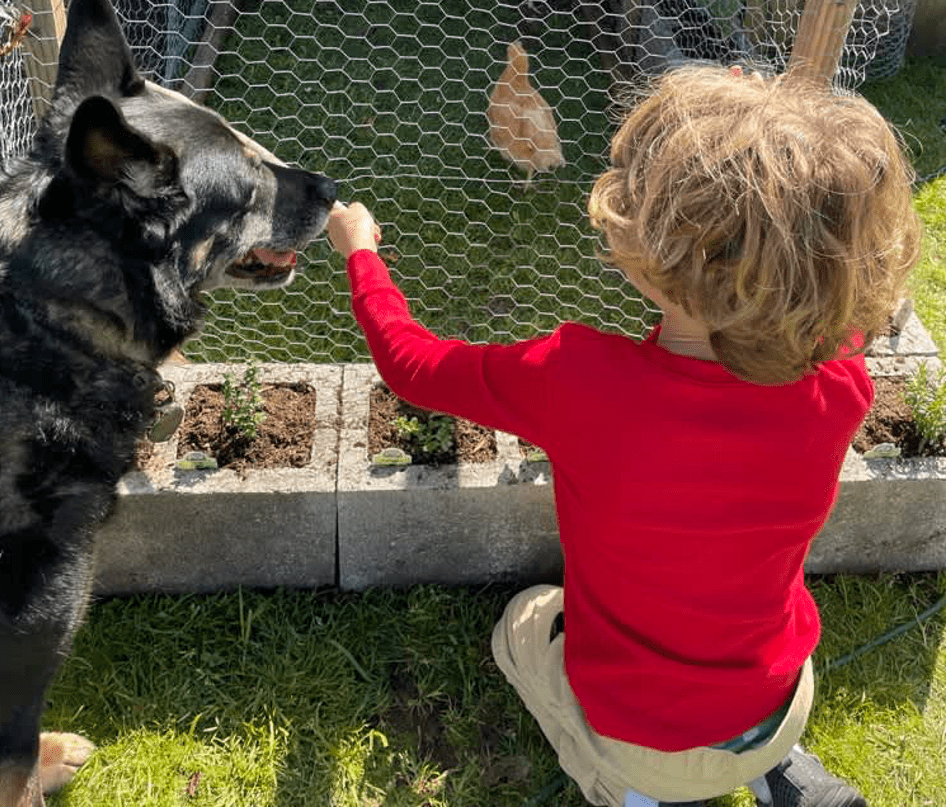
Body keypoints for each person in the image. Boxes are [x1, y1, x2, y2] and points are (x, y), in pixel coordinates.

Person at [326, 63, 920, 808]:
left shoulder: (579, 381)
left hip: (645, 741)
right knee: (732, 685)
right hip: (777, 696)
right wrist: (748, 127)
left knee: (525, 623)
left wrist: (360, 254)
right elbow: (827, 274)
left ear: (656, 252)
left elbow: (414, 365)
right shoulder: (838, 382)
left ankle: (630, 793)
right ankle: (775, 767)